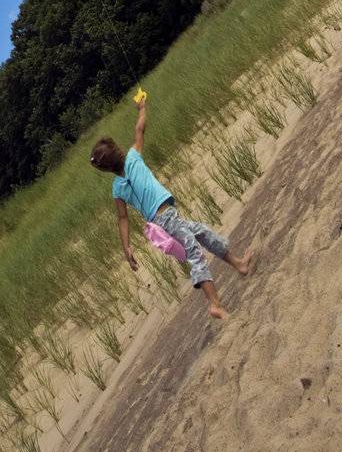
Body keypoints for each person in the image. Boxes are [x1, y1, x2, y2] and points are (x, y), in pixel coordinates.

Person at [89, 93, 254, 320]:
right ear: (118, 151)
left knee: (203, 234)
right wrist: (142, 108)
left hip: (162, 222)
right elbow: (140, 129)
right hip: (166, 218)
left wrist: (126, 247)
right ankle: (214, 304)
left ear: (106, 169)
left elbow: (123, 218)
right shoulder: (133, 158)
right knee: (195, 254)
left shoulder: (117, 187)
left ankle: (239, 264)